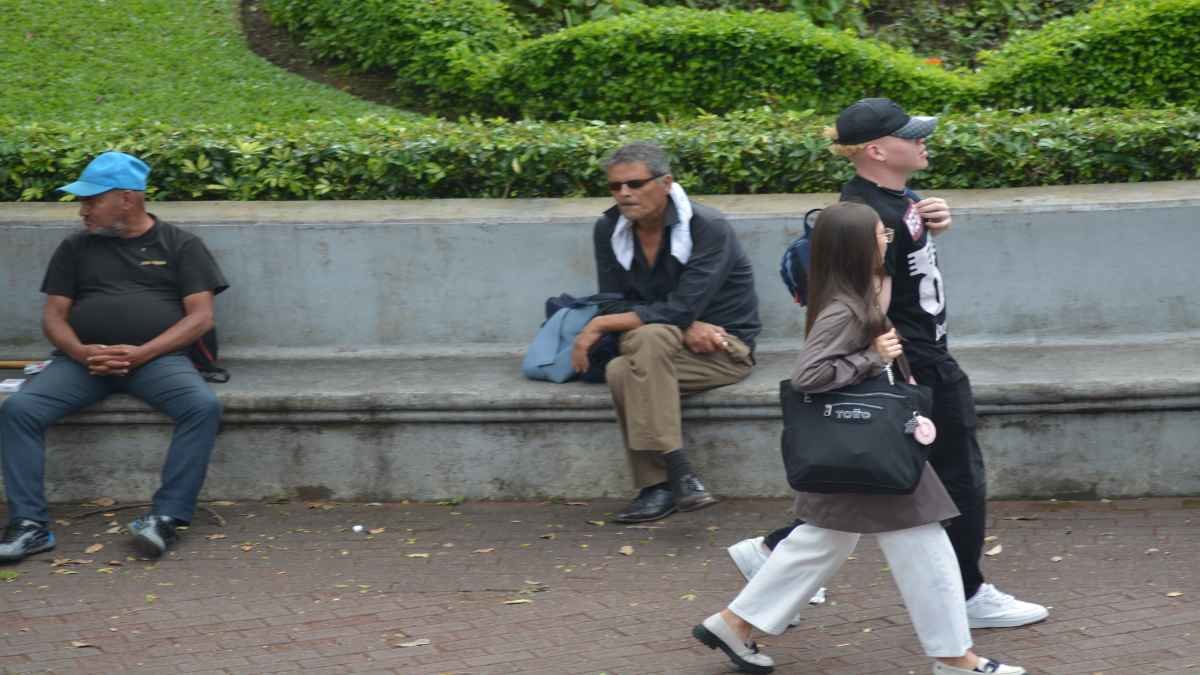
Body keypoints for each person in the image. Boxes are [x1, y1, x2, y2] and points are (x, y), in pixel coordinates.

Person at [727, 98, 1047, 630]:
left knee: (872, 485)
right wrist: (887, 362)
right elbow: (860, 295)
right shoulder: (871, 216)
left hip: (920, 356)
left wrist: (930, 223)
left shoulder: (896, 202)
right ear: (876, 150)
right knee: (957, 478)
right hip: (915, 363)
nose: (923, 140)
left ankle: (771, 553)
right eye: (911, 135)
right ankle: (968, 595)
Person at [692, 202, 1025, 675]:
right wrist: (870, 357)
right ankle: (955, 658)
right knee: (922, 543)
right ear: (858, 245)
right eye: (879, 233)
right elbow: (809, 375)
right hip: (870, 447)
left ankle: (736, 623)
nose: (887, 237)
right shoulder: (844, 310)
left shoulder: (852, 297)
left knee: (825, 540)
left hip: (859, 447)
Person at [0, 151, 228, 563]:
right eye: (82, 201)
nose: (82, 210)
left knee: (202, 406)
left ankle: (166, 519)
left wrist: (143, 353)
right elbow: (53, 317)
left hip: (159, 361)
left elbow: (200, 318)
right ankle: (30, 526)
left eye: (91, 200)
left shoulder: (180, 245)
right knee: (19, 410)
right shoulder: (74, 248)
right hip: (82, 363)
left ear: (126, 199)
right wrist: (82, 352)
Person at [575, 142, 761, 524]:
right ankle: (681, 476)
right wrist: (680, 322)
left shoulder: (707, 227)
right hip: (656, 345)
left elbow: (667, 310)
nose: (624, 194)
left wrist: (597, 326)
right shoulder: (609, 228)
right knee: (649, 339)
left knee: (621, 371)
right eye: (615, 187)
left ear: (666, 182)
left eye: (635, 184)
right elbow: (612, 303)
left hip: (722, 349)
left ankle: (659, 485)